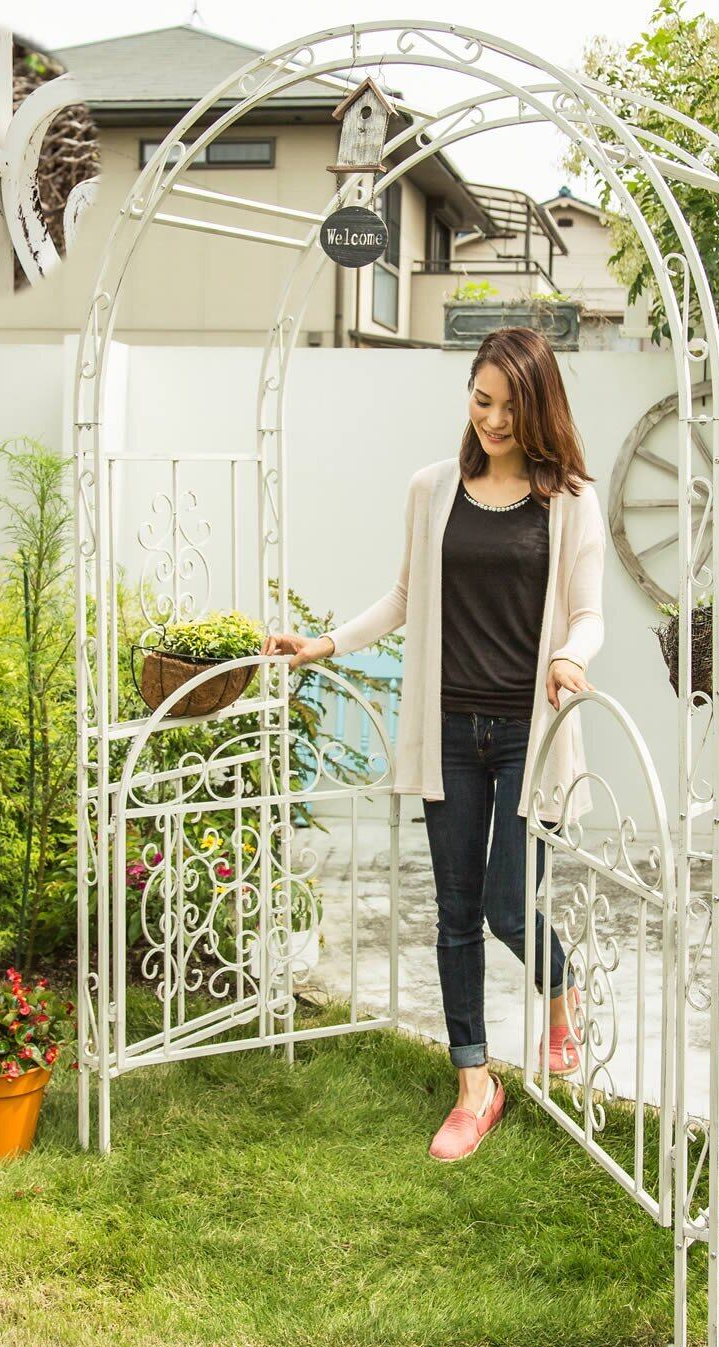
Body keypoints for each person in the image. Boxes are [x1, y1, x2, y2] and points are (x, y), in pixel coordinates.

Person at [261, 325, 606, 1161]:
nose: (493, 420)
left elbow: (589, 612)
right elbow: (403, 597)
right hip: (450, 733)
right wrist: (324, 643)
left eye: (511, 407)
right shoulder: (434, 489)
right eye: (482, 400)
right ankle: (474, 1083)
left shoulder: (570, 501)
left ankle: (560, 988)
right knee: (454, 912)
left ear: (540, 409)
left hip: (528, 735)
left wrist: (570, 655)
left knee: (506, 904)